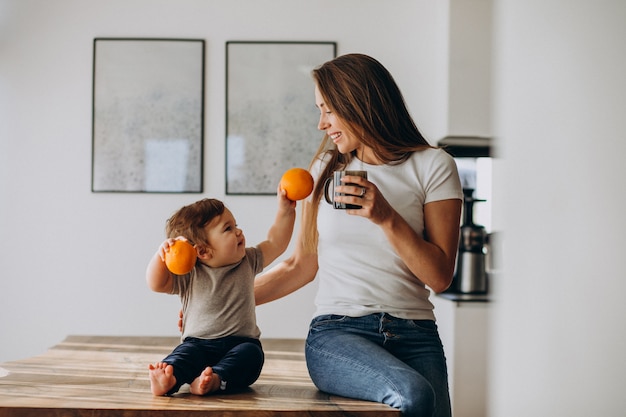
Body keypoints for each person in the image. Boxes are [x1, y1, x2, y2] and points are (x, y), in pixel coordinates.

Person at [254, 54, 463, 417]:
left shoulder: (434, 166)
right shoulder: (322, 170)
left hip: (417, 335)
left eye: (328, 111)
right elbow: (300, 265)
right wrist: (222, 300)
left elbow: (440, 277)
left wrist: (386, 217)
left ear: (359, 105)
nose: (321, 124)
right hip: (338, 334)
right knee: (414, 394)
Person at [147, 193, 295, 396]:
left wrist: (286, 210)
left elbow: (276, 242)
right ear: (203, 251)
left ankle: (215, 379)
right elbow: (156, 283)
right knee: (183, 355)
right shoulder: (190, 273)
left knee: (252, 356)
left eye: (235, 225)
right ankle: (168, 379)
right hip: (197, 344)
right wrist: (161, 255)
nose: (239, 231)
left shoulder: (248, 260)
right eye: (228, 228)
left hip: (241, 343)